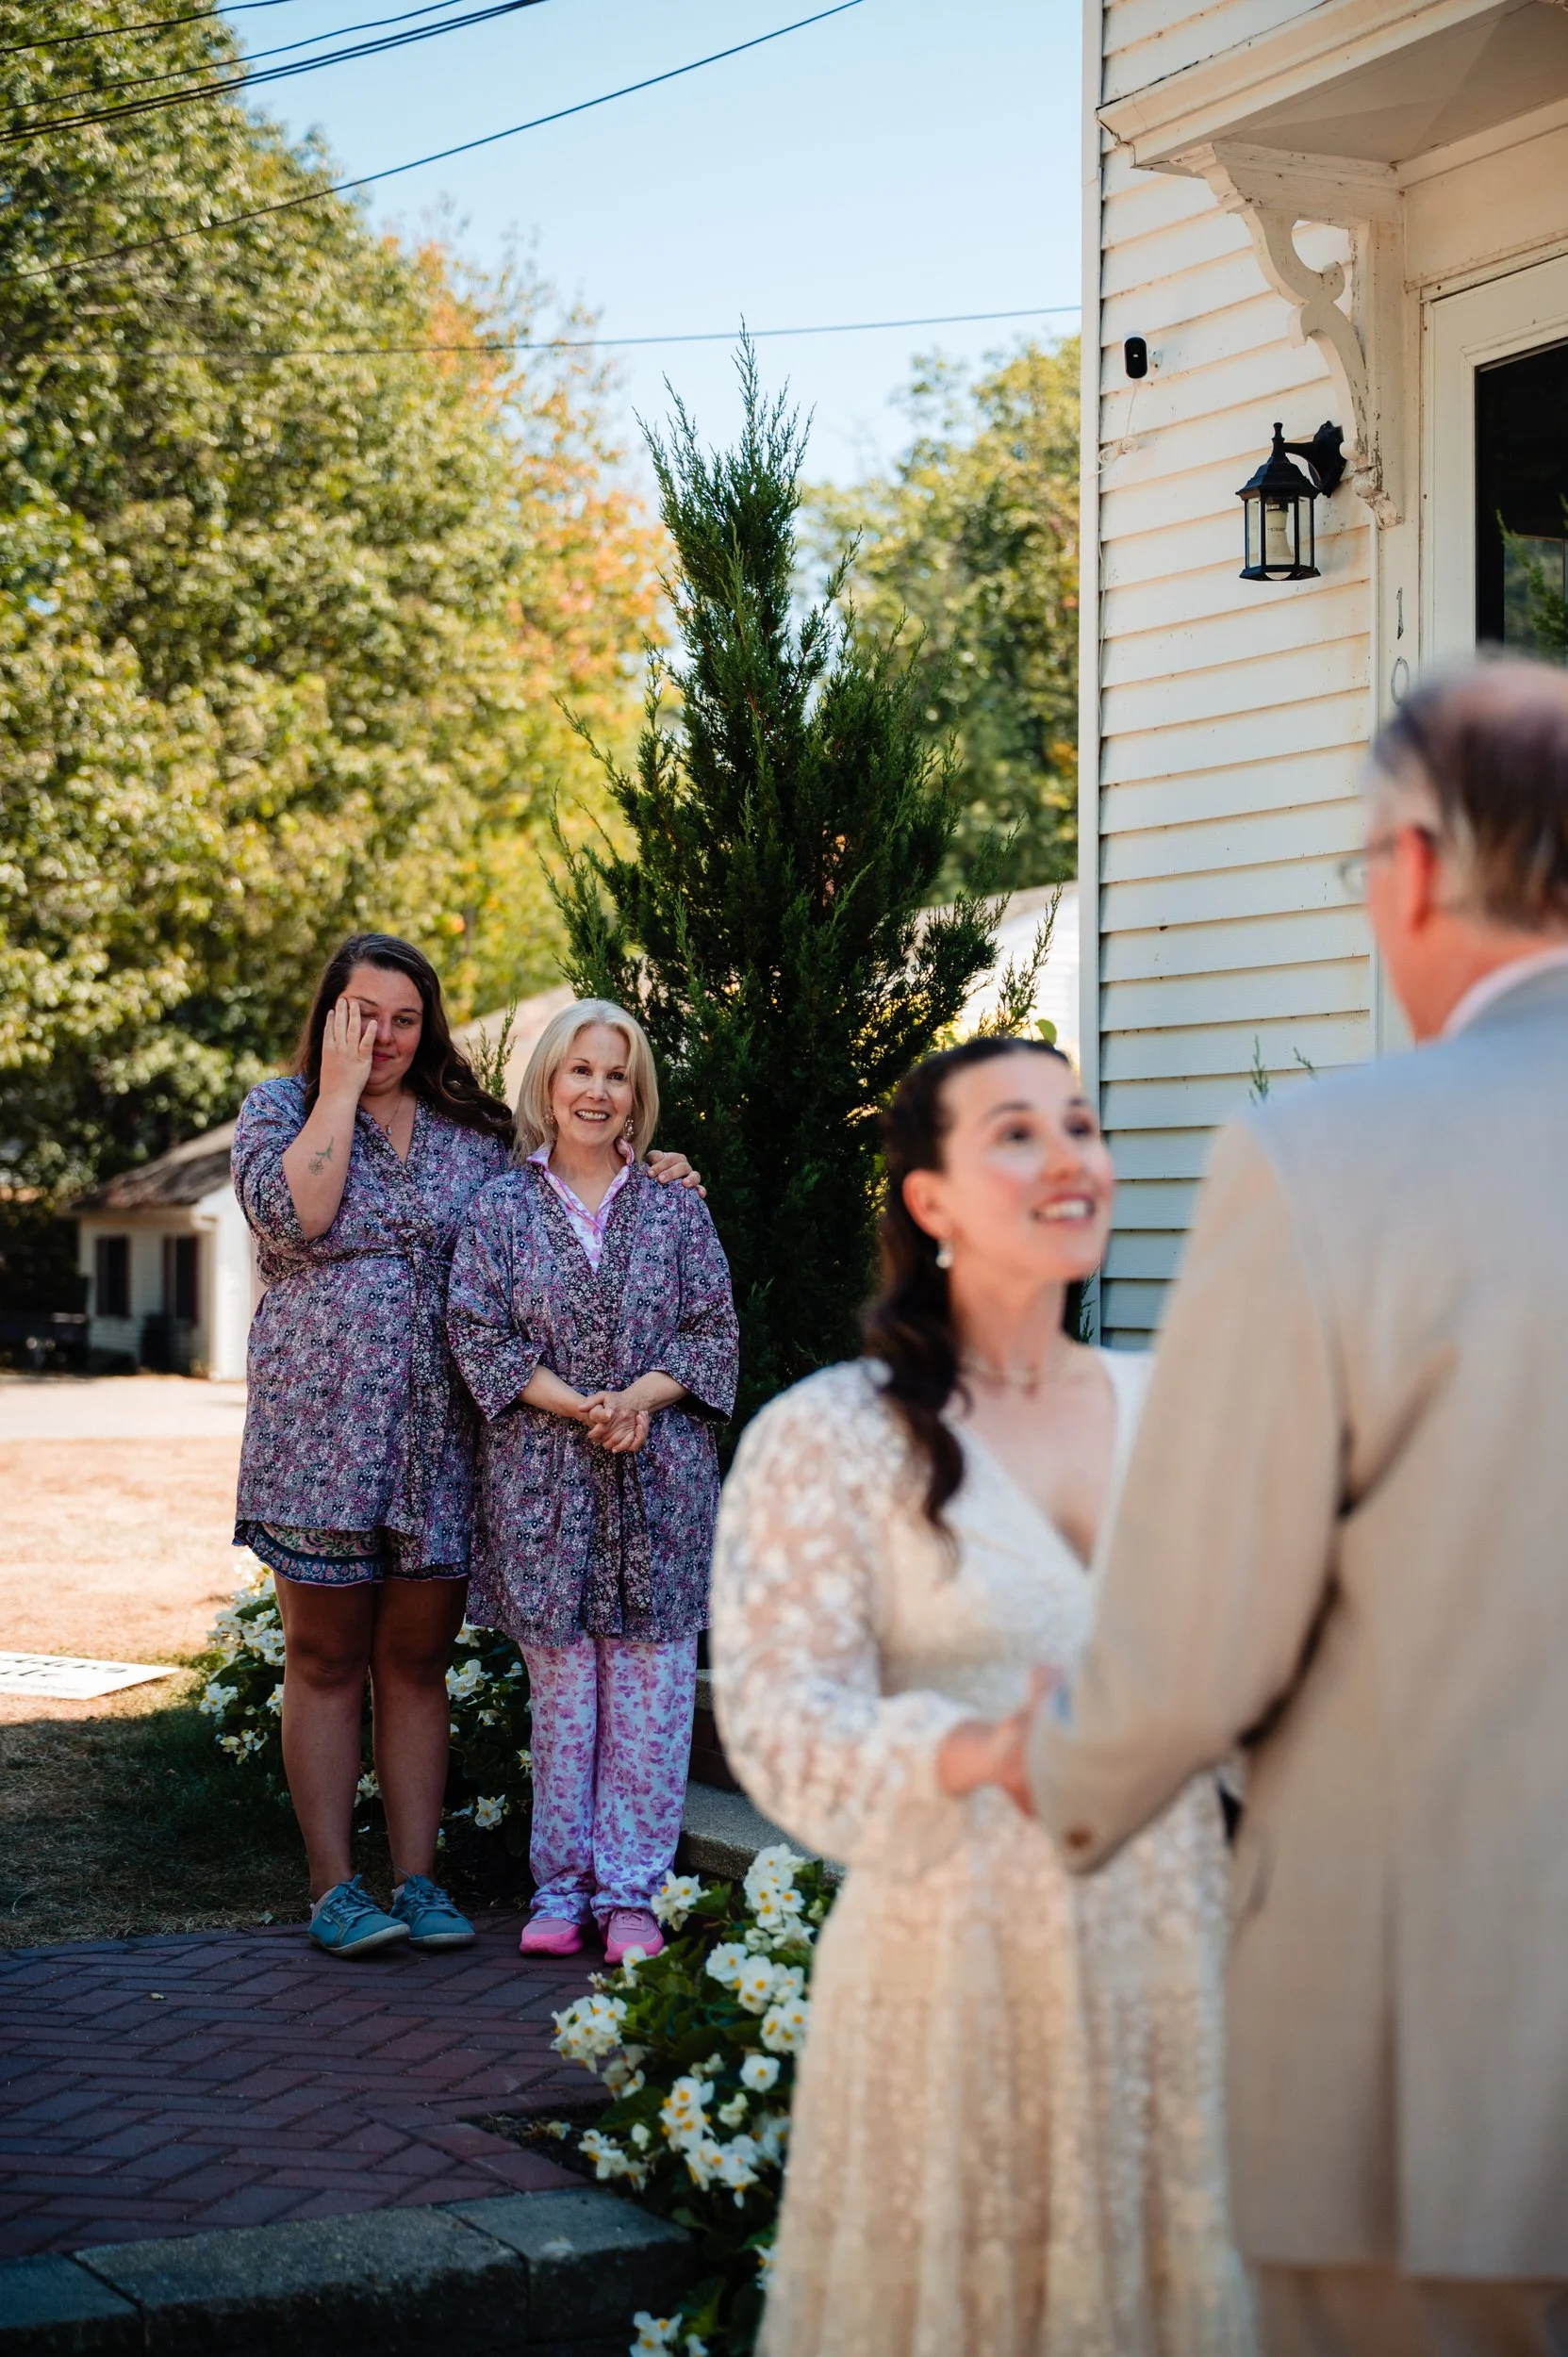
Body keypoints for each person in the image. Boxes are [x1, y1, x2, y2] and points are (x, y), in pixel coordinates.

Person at [1014, 660, 1568, 2356]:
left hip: (1436, 2056)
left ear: (1410, 867)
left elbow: (1196, 1643)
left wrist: (1054, 1763)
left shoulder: (1322, 1162)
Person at [708, 1036, 1255, 2357]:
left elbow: (1274, 1679)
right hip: (948, 1970)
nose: (1067, 1155)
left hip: (1168, 1959)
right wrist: (979, 1750)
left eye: (1079, 1124)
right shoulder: (828, 1434)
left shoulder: (1189, 1408)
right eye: (1014, 1132)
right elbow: (779, 1724)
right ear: (928, 1200)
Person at [233, 939, 702, 1961]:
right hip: (321, 1432)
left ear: (429, 1024)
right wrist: (342, 1086)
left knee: (415, 1660)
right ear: (330, 1016)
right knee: (321, 1658)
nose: (386, 1036)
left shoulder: (472, 1133)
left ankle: (418, 1877)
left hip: (446, 1438)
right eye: (363, 1015)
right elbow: (296, 1214)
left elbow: (561, 1185)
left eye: (403, 1018)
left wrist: (655, 1161)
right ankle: (334, 1888)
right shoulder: (279, 1112)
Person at [447, 997, 739, 1969]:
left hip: (660, 1486)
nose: (597, 1091)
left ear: (637, 1095)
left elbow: (709, 1333)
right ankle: (562, 1885)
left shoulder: (673, 1204)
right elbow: (478, 1334)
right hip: (544, 1489)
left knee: (652, 1703)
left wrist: (637, 1401)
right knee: (566, 1701)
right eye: (580, 1071)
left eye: (617, 1075)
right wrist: (582, 1405)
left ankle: (630, 1896)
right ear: (547, 1083)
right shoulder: (498, 1208)